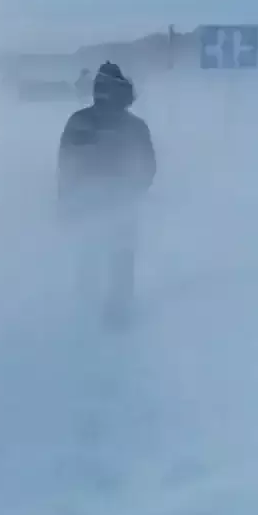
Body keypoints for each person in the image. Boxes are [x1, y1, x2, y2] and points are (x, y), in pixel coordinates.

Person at [56, 61, 156, 326]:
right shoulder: (135, 126)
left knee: (90, 252)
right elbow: (148, 167)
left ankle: (86, 307)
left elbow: (65, 163)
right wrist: (134, 191)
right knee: (121, 256)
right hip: (121, 199)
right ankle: (117, 312)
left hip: (87, 198)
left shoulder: (79, 120)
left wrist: (65, 198)